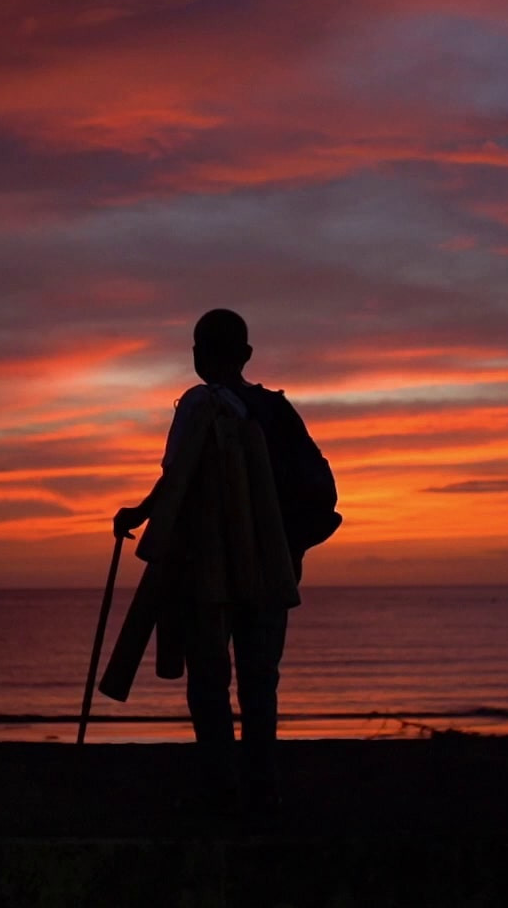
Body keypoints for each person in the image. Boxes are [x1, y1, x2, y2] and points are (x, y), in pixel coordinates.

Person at [110, 308, 338, 814]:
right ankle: (264, 788)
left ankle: (221, 788)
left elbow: (177, 475)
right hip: (272, 566)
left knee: (209, 683)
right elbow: (317, 484)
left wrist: (142, 513)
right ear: (247, 355)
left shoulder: (198, 404)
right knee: (260, 681)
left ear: (197, 355)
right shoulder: (276, 410)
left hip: (205, 570)